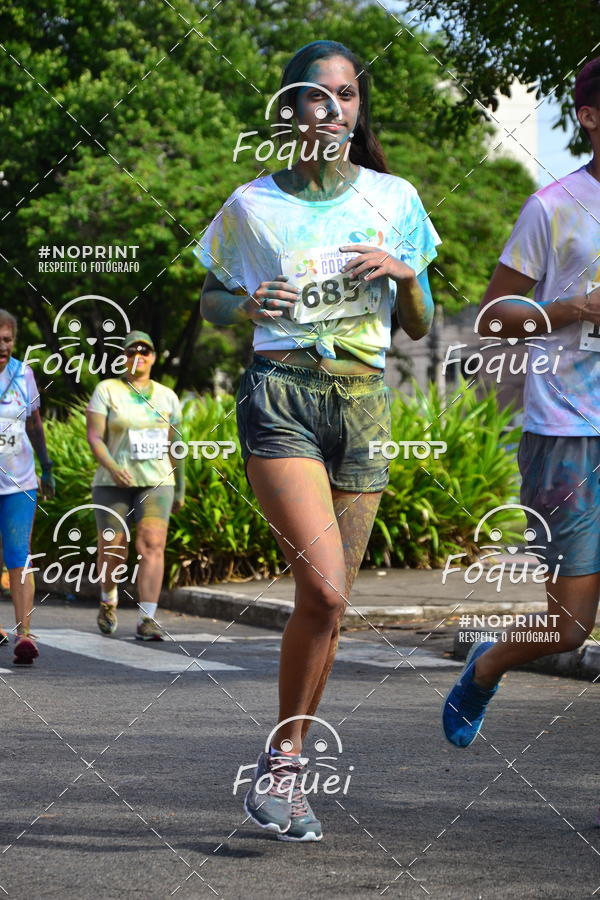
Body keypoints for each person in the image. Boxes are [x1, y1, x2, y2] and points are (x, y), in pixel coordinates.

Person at [197, 40, 440, 841]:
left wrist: (403, 273)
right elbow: (211, 301)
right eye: (317, 96)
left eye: (346, 96)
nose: (333, 109)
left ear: (356, 110)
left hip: (366, 403)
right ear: (292, 109)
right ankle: (283, 767)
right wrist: (247, 304)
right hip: (282, 397)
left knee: (324, 608)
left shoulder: (393, 197)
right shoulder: (252, 204)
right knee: (329, 589)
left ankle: (284, 769)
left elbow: (420, 324)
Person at [442, 59, 600, 771]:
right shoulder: (554, 207)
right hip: (568, 431)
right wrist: (572, 308)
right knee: (568, 628)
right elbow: (492, 318)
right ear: (590, 116)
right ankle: (487, 664)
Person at [86, 330, 185, 640]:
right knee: (114, 547)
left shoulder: (167, 396)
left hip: (156, 481)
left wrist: (180, 486)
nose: (137, 357)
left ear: (153, 357)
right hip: (112, 482)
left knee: (152, 545)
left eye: (144, 351)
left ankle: (148, 618)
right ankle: (108, 597)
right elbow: (94, 437)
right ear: (123, 357)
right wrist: (113, 467)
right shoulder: (107, 390)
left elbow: (176, 444)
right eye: (131, 352)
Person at [0, 309, 55, 664]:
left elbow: (34, 424)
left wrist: (47, 467)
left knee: (19, 555)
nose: (2, 347)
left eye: (7, 340)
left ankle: (24, 634)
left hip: (20, 481)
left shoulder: (23, 373)